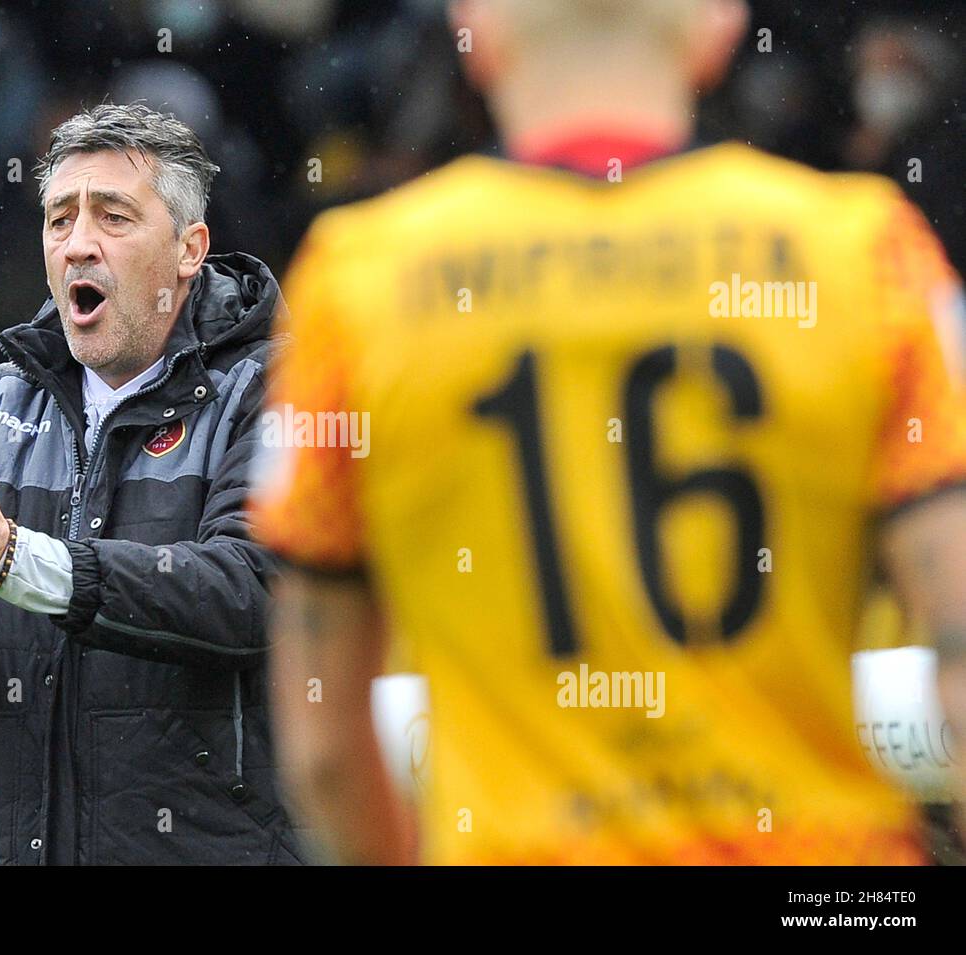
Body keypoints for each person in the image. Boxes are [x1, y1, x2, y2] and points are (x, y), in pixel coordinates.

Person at [251, 0, 966, 864]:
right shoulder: (868, 251)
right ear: (719, 29)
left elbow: (322, 744)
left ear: (475, 32)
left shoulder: (356, 283)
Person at [0, 104, 304, 865]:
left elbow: (256, 594)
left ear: (191, 248)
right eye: (60, 219)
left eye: (114, 216)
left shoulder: (274, 386)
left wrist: (12, 560)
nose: (78, 243)